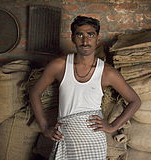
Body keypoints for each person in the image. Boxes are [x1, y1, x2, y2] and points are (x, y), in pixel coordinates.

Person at [29, 16, 141, 160]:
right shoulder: (59, 65)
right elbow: (34, 93)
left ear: (97, 39)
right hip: (65, 137)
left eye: (90, 35)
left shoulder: (106, 72)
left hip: (93, 141)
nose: (85, 40)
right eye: (80, 34)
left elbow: (135, 101)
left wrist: (112, 126)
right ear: (73, 38)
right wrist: (45, 128)